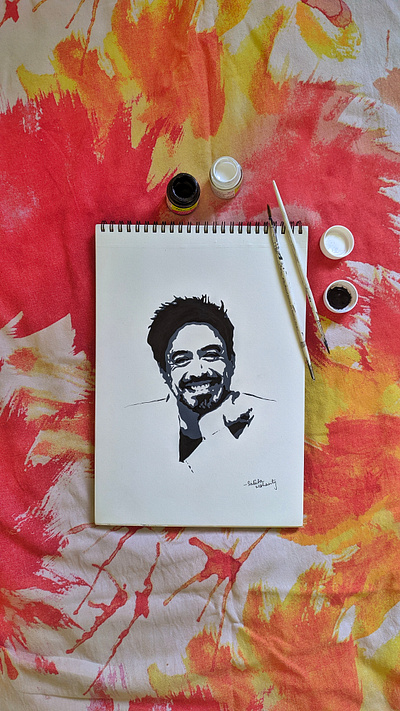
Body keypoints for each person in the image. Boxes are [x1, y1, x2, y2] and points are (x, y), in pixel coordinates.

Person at [145, 295, 273, 466]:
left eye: (211, 355)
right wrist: (213, 429)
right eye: (181, 360)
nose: (198, 371)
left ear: (231, 362)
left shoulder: (266, 421)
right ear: (164, 373)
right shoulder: (139, 431)